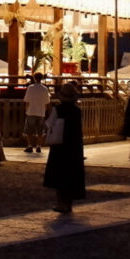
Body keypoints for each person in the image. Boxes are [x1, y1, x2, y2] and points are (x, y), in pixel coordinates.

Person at [44, 83, 85, 213]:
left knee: (59, 174)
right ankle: (69, 204)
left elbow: (49, 123)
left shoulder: (58, 109)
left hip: (60, 145)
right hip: (73, 145)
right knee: (71, 175)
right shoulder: (77, 111)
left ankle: (60, 203)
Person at [22, 72, 51, 153]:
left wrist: (26, 110)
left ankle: (30, 146)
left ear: (34, 78)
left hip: (31, 110)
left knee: (29, 130)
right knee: (40, 131)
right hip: (41, 111)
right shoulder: (45, 88)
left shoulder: (30, 88)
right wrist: (45, 110)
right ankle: (38, 146)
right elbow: (47, 102)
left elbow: (27, 100)